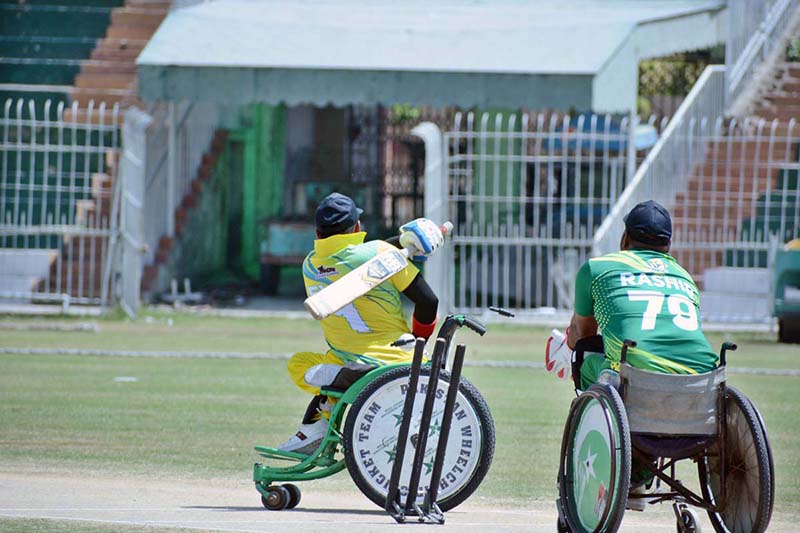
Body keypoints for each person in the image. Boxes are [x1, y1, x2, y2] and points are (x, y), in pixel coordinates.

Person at [543, 200, 719, 505]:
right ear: (668, 245)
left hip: (635, 388)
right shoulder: (685, 278)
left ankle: (632, 469)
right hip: (702, 391)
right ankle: (641, 472)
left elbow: (585, 336)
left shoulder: (597, 269)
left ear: (624, 239)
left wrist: (566, 345)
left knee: (584, 359)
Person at [277, 192, 443, 454]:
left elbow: (356, 257)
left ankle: (326, 408)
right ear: (356, 227)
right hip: (400, 358)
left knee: (299, 364)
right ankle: (339, 387)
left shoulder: (310, 265)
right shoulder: (381, 252)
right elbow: (428, 302)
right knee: (327, 367)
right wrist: (419, 341)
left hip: (348, 361)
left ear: (318, 233)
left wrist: (401, 244)